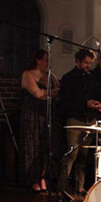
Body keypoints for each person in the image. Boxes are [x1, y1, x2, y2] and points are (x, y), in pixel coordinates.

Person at [57, 49, 101, 195]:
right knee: (71, 155)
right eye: (85, 63)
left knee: (84, 157)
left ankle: (80, 187)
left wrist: (98, 104)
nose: (88, 66)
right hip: (75, 119)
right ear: (77, 61)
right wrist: (85, 103)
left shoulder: (92, 78)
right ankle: (62, 189)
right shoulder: (68, 78)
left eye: (90, 63)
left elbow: (97, 95)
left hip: (90, 120)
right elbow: (65, 103)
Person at [20, 50, 60, 193]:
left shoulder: (49, 75)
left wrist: (47, 94)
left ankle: (42, 176)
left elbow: (58, 90)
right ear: (38, 60)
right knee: (32, 147)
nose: (47, 63)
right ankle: (32, 179)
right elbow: (36, 93)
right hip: (32, 114)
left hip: (46, 114)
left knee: (45, 147)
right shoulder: (28, 74)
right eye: (45, 59)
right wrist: (48, 93)